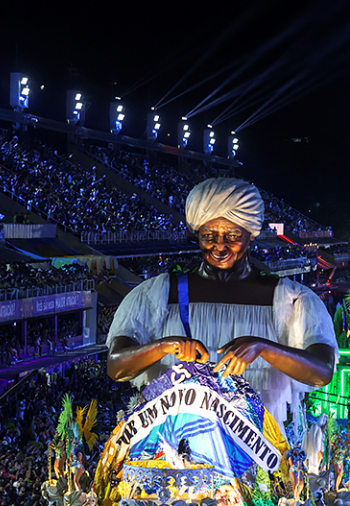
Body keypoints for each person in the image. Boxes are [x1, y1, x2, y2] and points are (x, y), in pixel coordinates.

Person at [107, 178, 337, 428]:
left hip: (252, 446)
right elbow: (116, 367)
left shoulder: (290, 299)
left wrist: (263, 348)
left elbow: (321, 372)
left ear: (251, 234)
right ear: (197, 234)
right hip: (175, 446)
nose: (219, 246)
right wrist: (165, 345)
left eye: (232, 236)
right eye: (209, 236)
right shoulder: (158, 293)